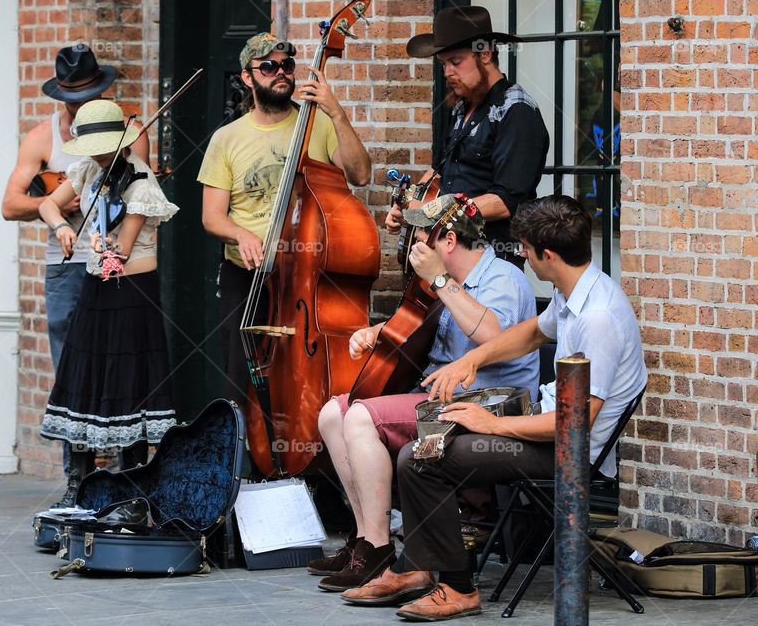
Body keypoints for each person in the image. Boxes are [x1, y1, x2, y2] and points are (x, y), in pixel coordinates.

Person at [363, 195, 646, 621]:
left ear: (548, 254)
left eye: (528, 251)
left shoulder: (598, 316)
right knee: (428, 438)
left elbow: (578, 422)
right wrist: (470, 360)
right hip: (543, 422)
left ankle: (456, 587)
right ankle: (418, 568)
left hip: (566, 450)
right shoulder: (576, 290)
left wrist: (492, 424)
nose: (525, 259)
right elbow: (532, 332)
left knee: (423, 459)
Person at [310, 194, 538, 595]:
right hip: (436, 396)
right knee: (332, 413)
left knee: (362, 416)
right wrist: (378, 332)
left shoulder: (503, 278)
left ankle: (379, 549)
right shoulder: (444, 280)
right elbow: (421, 330)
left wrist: (440, 281)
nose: (414, 244)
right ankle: (366, 539)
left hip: (481, 403)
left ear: (448, 241)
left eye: (421, 236)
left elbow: (493, 337)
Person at [1, 44, 148, 479]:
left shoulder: (131, 131)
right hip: (66, 266)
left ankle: (131, 478)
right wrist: (60, 205)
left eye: (89, 95)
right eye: (72, 98)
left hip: (117, 262)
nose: (80, 104)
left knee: (123, 364)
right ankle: (77, 478)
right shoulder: (42, 137)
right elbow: (10, 205)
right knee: (71, 369)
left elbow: (139, 193)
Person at [198, 32, 372, 399]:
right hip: (248, 276)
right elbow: (212, 217)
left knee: (301, 382)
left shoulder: (317, 123)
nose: (280, 73)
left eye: (287, 66)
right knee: (241, 384)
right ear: (248, 77)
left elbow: (360, 175)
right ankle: (245, 455)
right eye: (268, 66)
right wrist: (242, 235)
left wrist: (335, 111)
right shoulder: (227, 139)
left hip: (306, 277)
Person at [37, 100, 178, 507]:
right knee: (84, 374)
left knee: (127, 381)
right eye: (93, 147)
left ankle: (131, 490)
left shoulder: (140, 182)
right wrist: (62, 226)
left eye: (104, 146)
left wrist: (100, 243)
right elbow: (48, 203)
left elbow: (121, 250)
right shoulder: (89, 170)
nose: (99, 155)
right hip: (95, 285)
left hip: (131, 292)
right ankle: (78, 487)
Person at [386, 6, 549, 266]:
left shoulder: (517, 111)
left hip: (490, 262)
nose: (448, 72)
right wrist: (408, 206)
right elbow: (438, 172)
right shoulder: (462, 107)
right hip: (448, 257)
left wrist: (431, 213)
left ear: (485, 54)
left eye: (456, 62)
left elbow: (507, 201)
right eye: (443, 64)